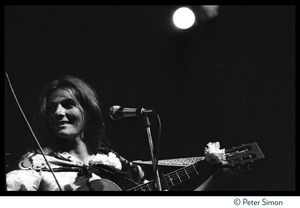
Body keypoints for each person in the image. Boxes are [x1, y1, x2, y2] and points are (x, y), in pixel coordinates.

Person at [6, 75, 237, 191]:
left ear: (87, 110)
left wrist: (214, 175)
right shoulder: (37, 164)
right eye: (51, 108)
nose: (58, 112)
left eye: (68, 104)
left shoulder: (116, 164)